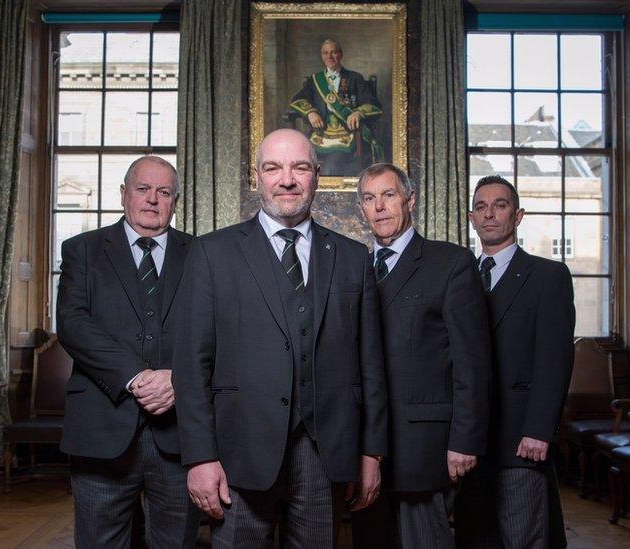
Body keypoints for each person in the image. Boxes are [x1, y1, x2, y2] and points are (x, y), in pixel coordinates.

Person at [172, 128, 389, 548]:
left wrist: (371, 453)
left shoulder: (351, 257)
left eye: (300, 167)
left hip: (324, 454)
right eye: (273, 168)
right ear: (257, 177)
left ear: (317, 176)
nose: (286, 179)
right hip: (239, 451)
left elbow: (371, 366)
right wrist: (200, 457)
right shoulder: (212, 253)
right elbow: (191, 364)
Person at [56, 156, 200, 548]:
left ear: (175, 200)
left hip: (179, 435)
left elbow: (218, 333)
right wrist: (137, 377)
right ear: (124, 194)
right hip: (101, 429)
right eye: (143, 189)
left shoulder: (202, 254)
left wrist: (179, 379)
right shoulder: (82, 250)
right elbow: (72, 323)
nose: (153, 199)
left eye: (164, 192)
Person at [351, 163, 491, 549]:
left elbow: (472, 362)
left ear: (410, 200)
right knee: (370, 539)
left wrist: (465, 440)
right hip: (364, 444)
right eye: (369, 198)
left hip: (423, 444)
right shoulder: (353, 266)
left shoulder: (450, 263)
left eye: (389, 195)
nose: (379, 206)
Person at [457, 175, 575, 549]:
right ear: (472, 218)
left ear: (518, 215)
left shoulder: (548, 276)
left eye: (500, 205)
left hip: (521, 439)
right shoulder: (459, 278)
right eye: (481, 207)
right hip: (470, 442)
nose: (489, 214)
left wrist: (540, 430)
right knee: (477, 538)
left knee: (523, 538)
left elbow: (554, 359)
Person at [289, 38, 383, 176]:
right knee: (300, 162)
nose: (329, 57)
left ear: (341, 54)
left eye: (333, 52)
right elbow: (297, 99)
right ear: (322, 56)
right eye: (325, 53)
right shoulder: (315, 80)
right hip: (321, 133)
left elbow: (373, 104)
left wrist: (358, 113)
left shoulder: (355, 78)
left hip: (348, 134)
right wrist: (310, 112)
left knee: (331, 166)